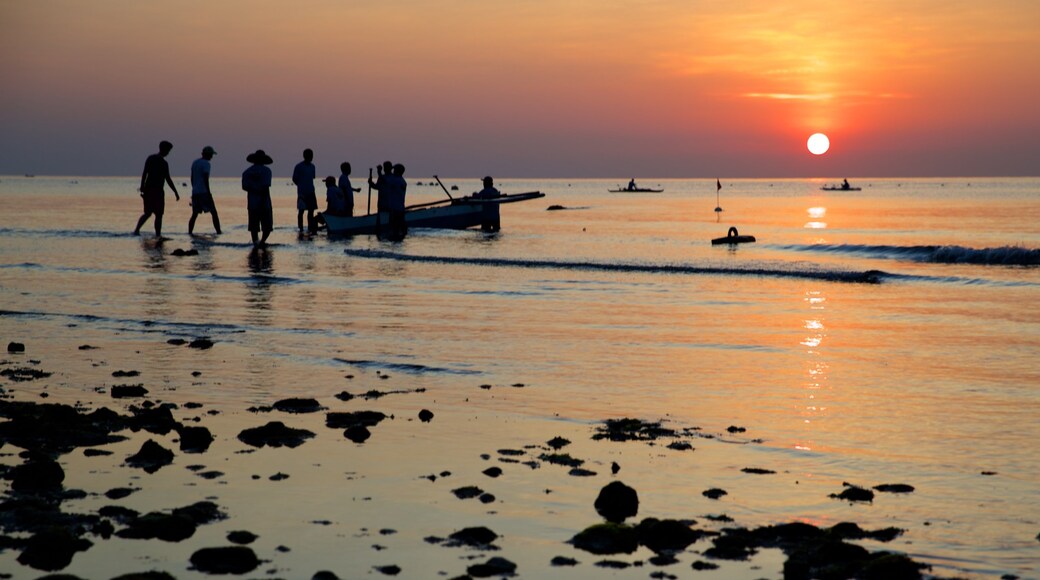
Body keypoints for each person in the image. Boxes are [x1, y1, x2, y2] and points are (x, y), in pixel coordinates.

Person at [135, 140, 180, 236]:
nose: (168, 153)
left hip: (154, 190)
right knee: (153, 214)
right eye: (168, 150)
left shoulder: (156, 160)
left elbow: (166, 178)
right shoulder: (158, 161)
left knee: (153, 214)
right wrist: (142, 187)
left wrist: (175, 192)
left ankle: (153, 233)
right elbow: (146, 173)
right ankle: (151, 233)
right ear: (164, 149)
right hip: (153, 191)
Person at [242, 149, 274, 248]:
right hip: (264, 202)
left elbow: (244, 187)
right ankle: (262, 242)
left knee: (253, 227)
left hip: (252, 202)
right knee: (267, 227)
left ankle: (256, 243)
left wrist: (254, 189)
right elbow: (266, 187)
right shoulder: (267, 171)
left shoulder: (247, 172)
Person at [188, 146, 221, 234]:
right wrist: (208, 192)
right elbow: (205, 178)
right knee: (214, 212)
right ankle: (219, 232)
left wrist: (194, 188)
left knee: (194, 214)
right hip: (204, 192)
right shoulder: (206, 164)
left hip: (195, 192)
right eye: (211, 155)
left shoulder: (195, 163)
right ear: (208, 154)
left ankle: (190, 232)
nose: (212, 157)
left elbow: (192, 178)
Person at [292, 148, 317, 232]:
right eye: (309, 155)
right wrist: (300, 186)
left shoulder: (312, 167)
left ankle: (310, 227)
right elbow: (294, 179)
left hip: (311, 191)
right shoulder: (299, 166)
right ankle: (301, 228)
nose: (311, 157)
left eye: (311, 155)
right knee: (301, 211)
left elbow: (312, 177)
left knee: (311, 211)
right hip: (302, 193)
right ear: (304, 156)